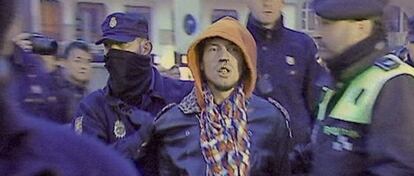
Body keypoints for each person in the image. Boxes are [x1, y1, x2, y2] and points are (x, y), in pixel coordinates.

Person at [0, 1, 139, 175]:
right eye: (110, 47)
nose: (83, 67)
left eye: (87, 61)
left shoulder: (92, 161)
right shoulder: (50, 87)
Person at [155, 17, 291, 176]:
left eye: (233, 49)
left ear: (246, 62)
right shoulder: (171, 123)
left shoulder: (271, 119)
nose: (223, 57)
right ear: (200, 62)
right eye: (214, 49)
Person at [72, 12, 193, 175]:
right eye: (108, 46)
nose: (113, 54)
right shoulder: (92, 107)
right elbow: (86, 165)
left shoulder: (183, 95)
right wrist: (139, 139)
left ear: (145, 48)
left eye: (121, 45)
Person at [311, 0, 414, 175]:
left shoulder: (393, 81)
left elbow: (397, 168)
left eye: (327, 24)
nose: (318, 33)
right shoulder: (342, 78)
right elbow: (321, 152)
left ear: (361, 27)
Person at [245, 1, 326, 172]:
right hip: (247, 158)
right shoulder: (233, 46)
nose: (267, 3)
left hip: (296, 159)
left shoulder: (303, 45)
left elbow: (317, 104)